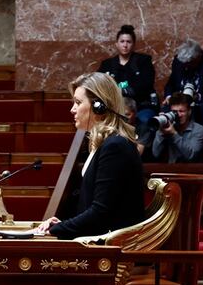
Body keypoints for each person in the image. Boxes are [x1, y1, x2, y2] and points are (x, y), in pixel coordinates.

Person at [37, 72, 145, 240]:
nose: (72, 109)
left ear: (99, 106)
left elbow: (101, 212)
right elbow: (92, 207)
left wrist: (59, 229)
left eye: (78, 103)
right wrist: (63, 223)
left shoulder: (115, 146)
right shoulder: (105, 144)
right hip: (99, 242)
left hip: (112, 252)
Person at [163, 39, 203, 140]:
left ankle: (202, 144)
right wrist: (169, 96)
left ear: (198, 57)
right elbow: (170, 84)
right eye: (184, 64)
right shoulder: (179, 61)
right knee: (165, 110)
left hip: (202, 101)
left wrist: (198, 97)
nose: (186, 66)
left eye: (189, 63)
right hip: (180, 100)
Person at [98, 25, 157, 125]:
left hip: (141, 106)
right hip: (114, 108)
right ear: (116, 44)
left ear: (133, 44)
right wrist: (124, 88)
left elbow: (146, 84)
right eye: (122, 41)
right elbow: (99, 84)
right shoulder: (107, 64)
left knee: (145, 122)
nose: (125, 45)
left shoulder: (143, 61)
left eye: (128, 42)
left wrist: (121, 88)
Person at [151, 92, 203, 163]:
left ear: (189, 112)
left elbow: (191, 156)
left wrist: (174, 134)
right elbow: (156, 154)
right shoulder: (168, 127)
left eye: (181, 111)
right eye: (174, 112)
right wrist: (160, 131)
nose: (178, 115)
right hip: (171, 170)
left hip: (192, 172)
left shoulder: (199, 130)